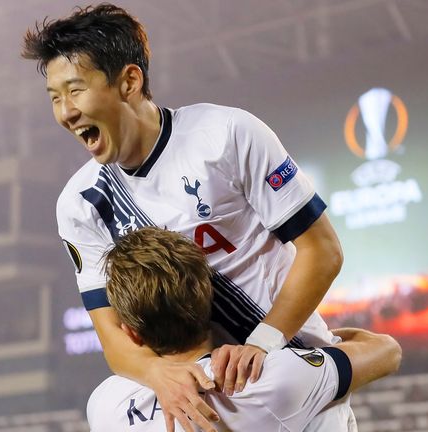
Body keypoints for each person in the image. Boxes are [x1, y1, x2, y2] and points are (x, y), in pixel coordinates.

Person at [22, 4, 344, 431]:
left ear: (129, 81)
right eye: (55, 98)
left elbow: (322, 250)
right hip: (198, 404)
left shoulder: (226, 135)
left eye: (76, 90)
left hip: (290, 374)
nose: (65, 113)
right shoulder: (82, 203)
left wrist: (264, 344)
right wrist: (159, 376)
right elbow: (111, 334)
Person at [88, 227, 402, 431]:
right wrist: (305, 341)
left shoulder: (105, 407)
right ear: (210, 301)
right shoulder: (272, 377)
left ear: (130, 333)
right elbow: (387, 351)